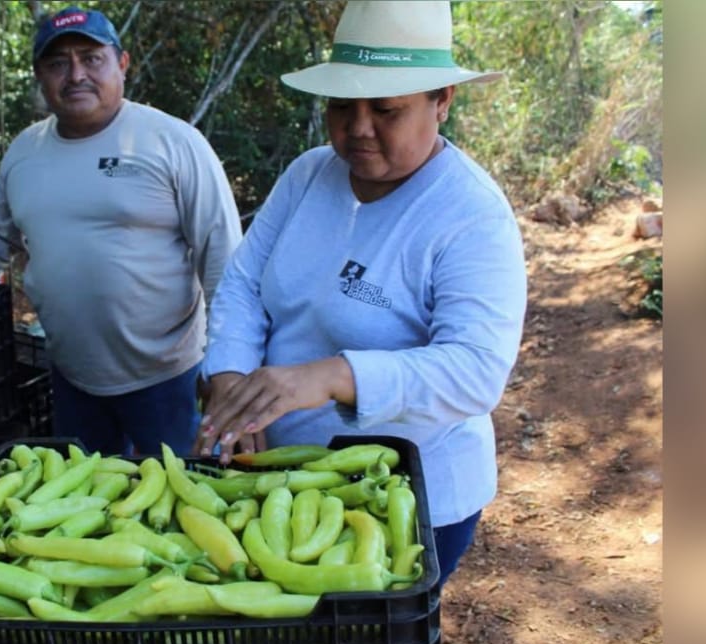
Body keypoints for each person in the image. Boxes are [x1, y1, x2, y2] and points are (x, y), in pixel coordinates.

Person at [192, 0, 527, 587]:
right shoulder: (307, 176)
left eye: (387, 110)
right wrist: (230, 378)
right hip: (278, 470)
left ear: (442, 99)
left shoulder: (471, 216)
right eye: (342, 107)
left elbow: (475, 372)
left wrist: (329, 376)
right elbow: (244, 284)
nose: (359, 128)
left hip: (403, 489)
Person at [0, 6, 242, 458]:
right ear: (40, 75)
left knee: (179, 509)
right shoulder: (25, 151)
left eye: (91, 59)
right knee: (89, 510)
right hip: (73, 378)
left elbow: (223, 256)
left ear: (122, 64)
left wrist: (225, 365)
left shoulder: (173, 142)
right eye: (58, 64)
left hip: (166, 381)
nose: (76, 75)